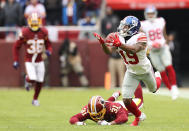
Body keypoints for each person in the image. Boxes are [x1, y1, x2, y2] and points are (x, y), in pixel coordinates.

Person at [93, 16, 162, 126]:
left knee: (154, 89)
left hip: (145, 70)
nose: (123, 28)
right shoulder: (118, 37)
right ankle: (138, 116)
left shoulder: (141, 37)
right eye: (123, 25)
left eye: (126, 26)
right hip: (131, 72)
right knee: (126, 99)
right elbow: (109, 52)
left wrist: (120, 44)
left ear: (133, 28)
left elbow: (134, 50)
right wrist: (103, 44)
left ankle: (158, 77)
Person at [12, 13, 52, 106]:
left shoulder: (44, 32)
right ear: (29, 22)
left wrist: (49, 50)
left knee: (40, 80)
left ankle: (35, 99)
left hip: (39, 59)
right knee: (33, 78)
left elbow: (48, 44)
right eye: (32, 22)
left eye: (36, 22)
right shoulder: (25, 32)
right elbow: (16, 46)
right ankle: (27, 79)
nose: (34, 24)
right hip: (29, 60)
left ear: (40, 22)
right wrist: (16, 60)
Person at [140, 6, 179, 100]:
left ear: (155, 13)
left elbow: (164, 35)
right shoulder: (143, 24)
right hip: (153, 50)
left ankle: (174, 87)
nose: (150, 15)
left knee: (168, 65)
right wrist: (150, 45)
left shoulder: (161, 21)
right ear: (146, 14)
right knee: (161, 70)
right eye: (148, 14)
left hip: (162, 47)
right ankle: (171, 90)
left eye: (152, 13)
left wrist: (165, 42)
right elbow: (143, 39)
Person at [70, 85, 143, 125]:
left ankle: (135, 79)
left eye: (98, 115)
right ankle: (114, 96)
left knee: (140, 101)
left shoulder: (112, 107)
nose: (96, 118)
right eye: (93, 115)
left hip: (123, 107)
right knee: (109, 101)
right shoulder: (88, 110)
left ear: (103, 108)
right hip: (109, 103)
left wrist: (110, 123)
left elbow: (124, 118)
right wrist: (79, 123)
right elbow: (73, 118)